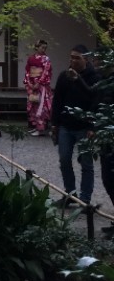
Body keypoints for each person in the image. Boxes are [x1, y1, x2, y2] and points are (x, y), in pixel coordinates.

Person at [50, 45, 99, 206]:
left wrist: (93, 127)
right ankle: (70, 193)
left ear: (86, 59)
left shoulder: (94, 77)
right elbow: (57, 100)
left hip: (85, 126)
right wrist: (55, 124)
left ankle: (85, 199)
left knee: (86, 163)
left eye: (77, 57)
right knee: (64, 159)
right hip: (66, 125)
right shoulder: (64, 76)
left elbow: (95, 101)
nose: (73, 60)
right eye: (71, 57)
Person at [24, 39, 53, 135]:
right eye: (42, 47)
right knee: (33, 104)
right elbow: (28, 71)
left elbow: (46, 72)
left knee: (41, 105)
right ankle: (36, 126)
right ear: (37, 47)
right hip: (32, 85)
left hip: (41, 86)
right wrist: (29, 82)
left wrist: (39, 82)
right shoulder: (31, 58)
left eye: (45, 48)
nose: (44, 49)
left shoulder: (46, 59)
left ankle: (41, 128)